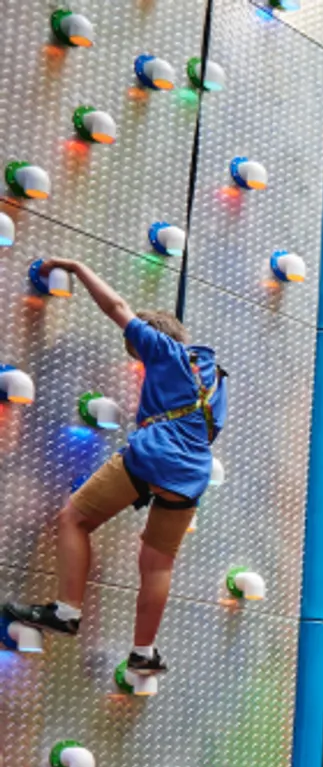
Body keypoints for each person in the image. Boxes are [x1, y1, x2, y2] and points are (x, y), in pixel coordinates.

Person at [4, 258, 226, 680]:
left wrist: (78, 266)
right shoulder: (214, 377)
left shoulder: (162, 350)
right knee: (157, 564)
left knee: (73, 518)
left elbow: (116, 306)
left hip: (152, 456)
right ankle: (143, 651)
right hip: (191, 475)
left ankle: (66, 611)